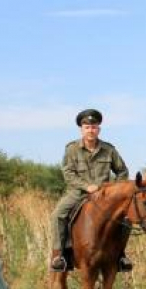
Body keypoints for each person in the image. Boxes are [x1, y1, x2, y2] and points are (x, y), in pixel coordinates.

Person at [50, 108, 130, 272]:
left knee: (126, 218)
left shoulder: (109, 150)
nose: (91, 130)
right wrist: (86, 186)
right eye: (87, 127)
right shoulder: (72, 149)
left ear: (98, 129)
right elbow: (68, 172)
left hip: (104, 195)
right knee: (58, 214)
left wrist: (113, 189)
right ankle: (61, 254)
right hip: (78, 193)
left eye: (94, 127)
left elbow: (122, 171)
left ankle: (121, 255)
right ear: (81, 129)